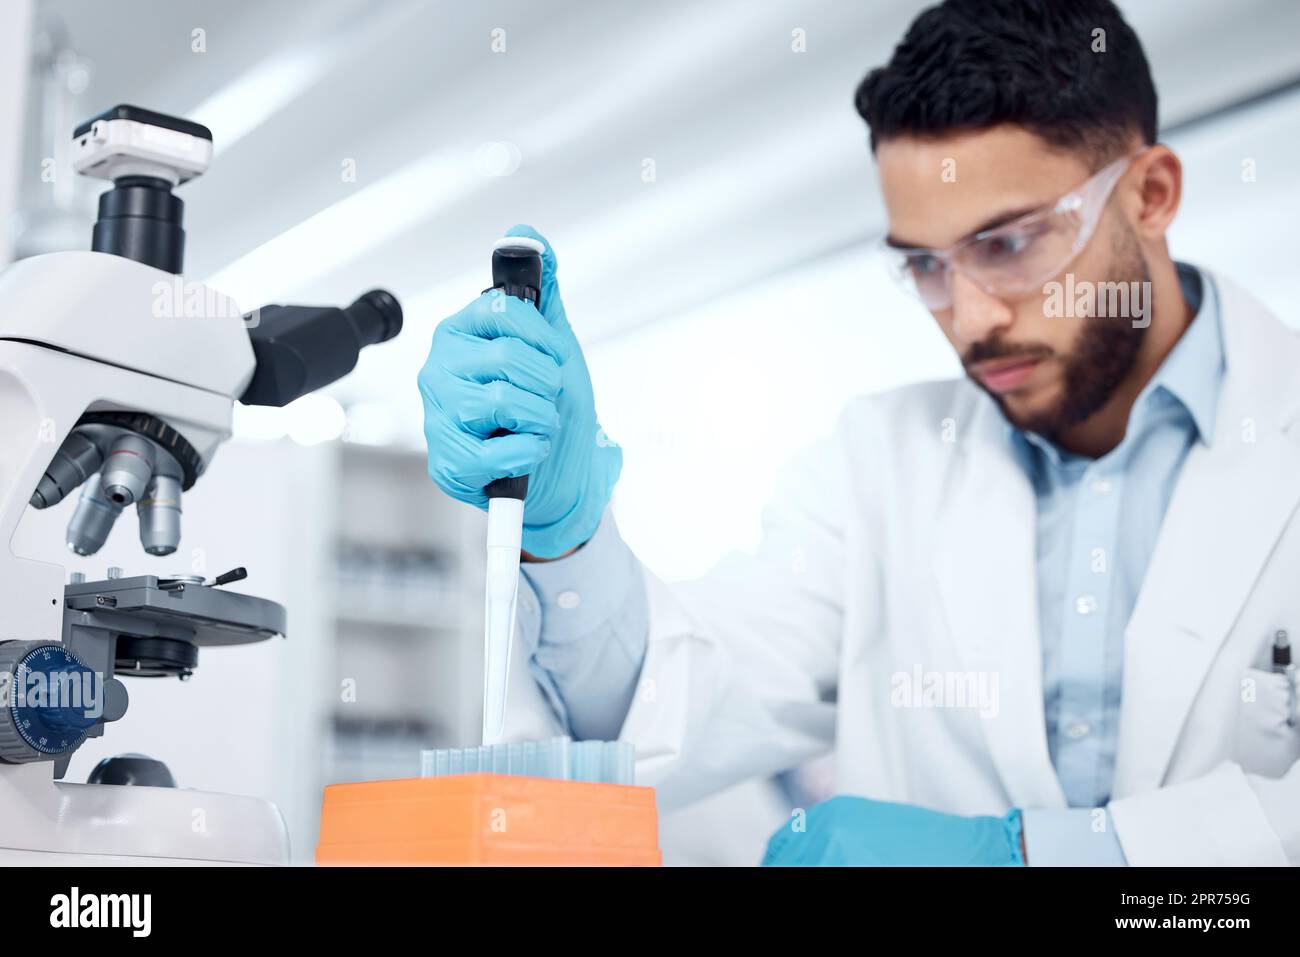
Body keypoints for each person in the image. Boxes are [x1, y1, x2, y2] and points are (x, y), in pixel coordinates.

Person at [417, 0, 1300, 865]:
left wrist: (1034, 856)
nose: (972, 317)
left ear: (1151, 194)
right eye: (926, 263)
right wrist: (566, 541)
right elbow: (672, 710)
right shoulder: (875, 465)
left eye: (1011, 242)